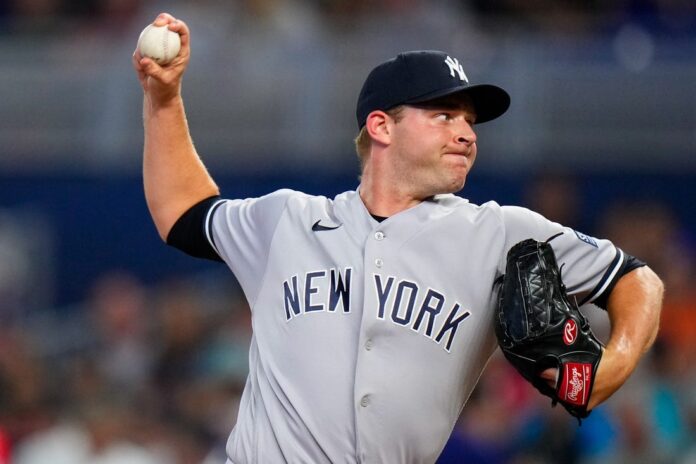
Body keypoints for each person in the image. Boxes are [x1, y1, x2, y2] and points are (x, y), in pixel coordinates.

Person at [132, 12, 664, 464]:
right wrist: (164, 98)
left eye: (470, 121)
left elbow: (637, 279)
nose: (466, 133)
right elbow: (183, 212)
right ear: (382, 126)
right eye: (444, 115)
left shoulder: (501, 232)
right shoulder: (288, 220)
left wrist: (613, 364)